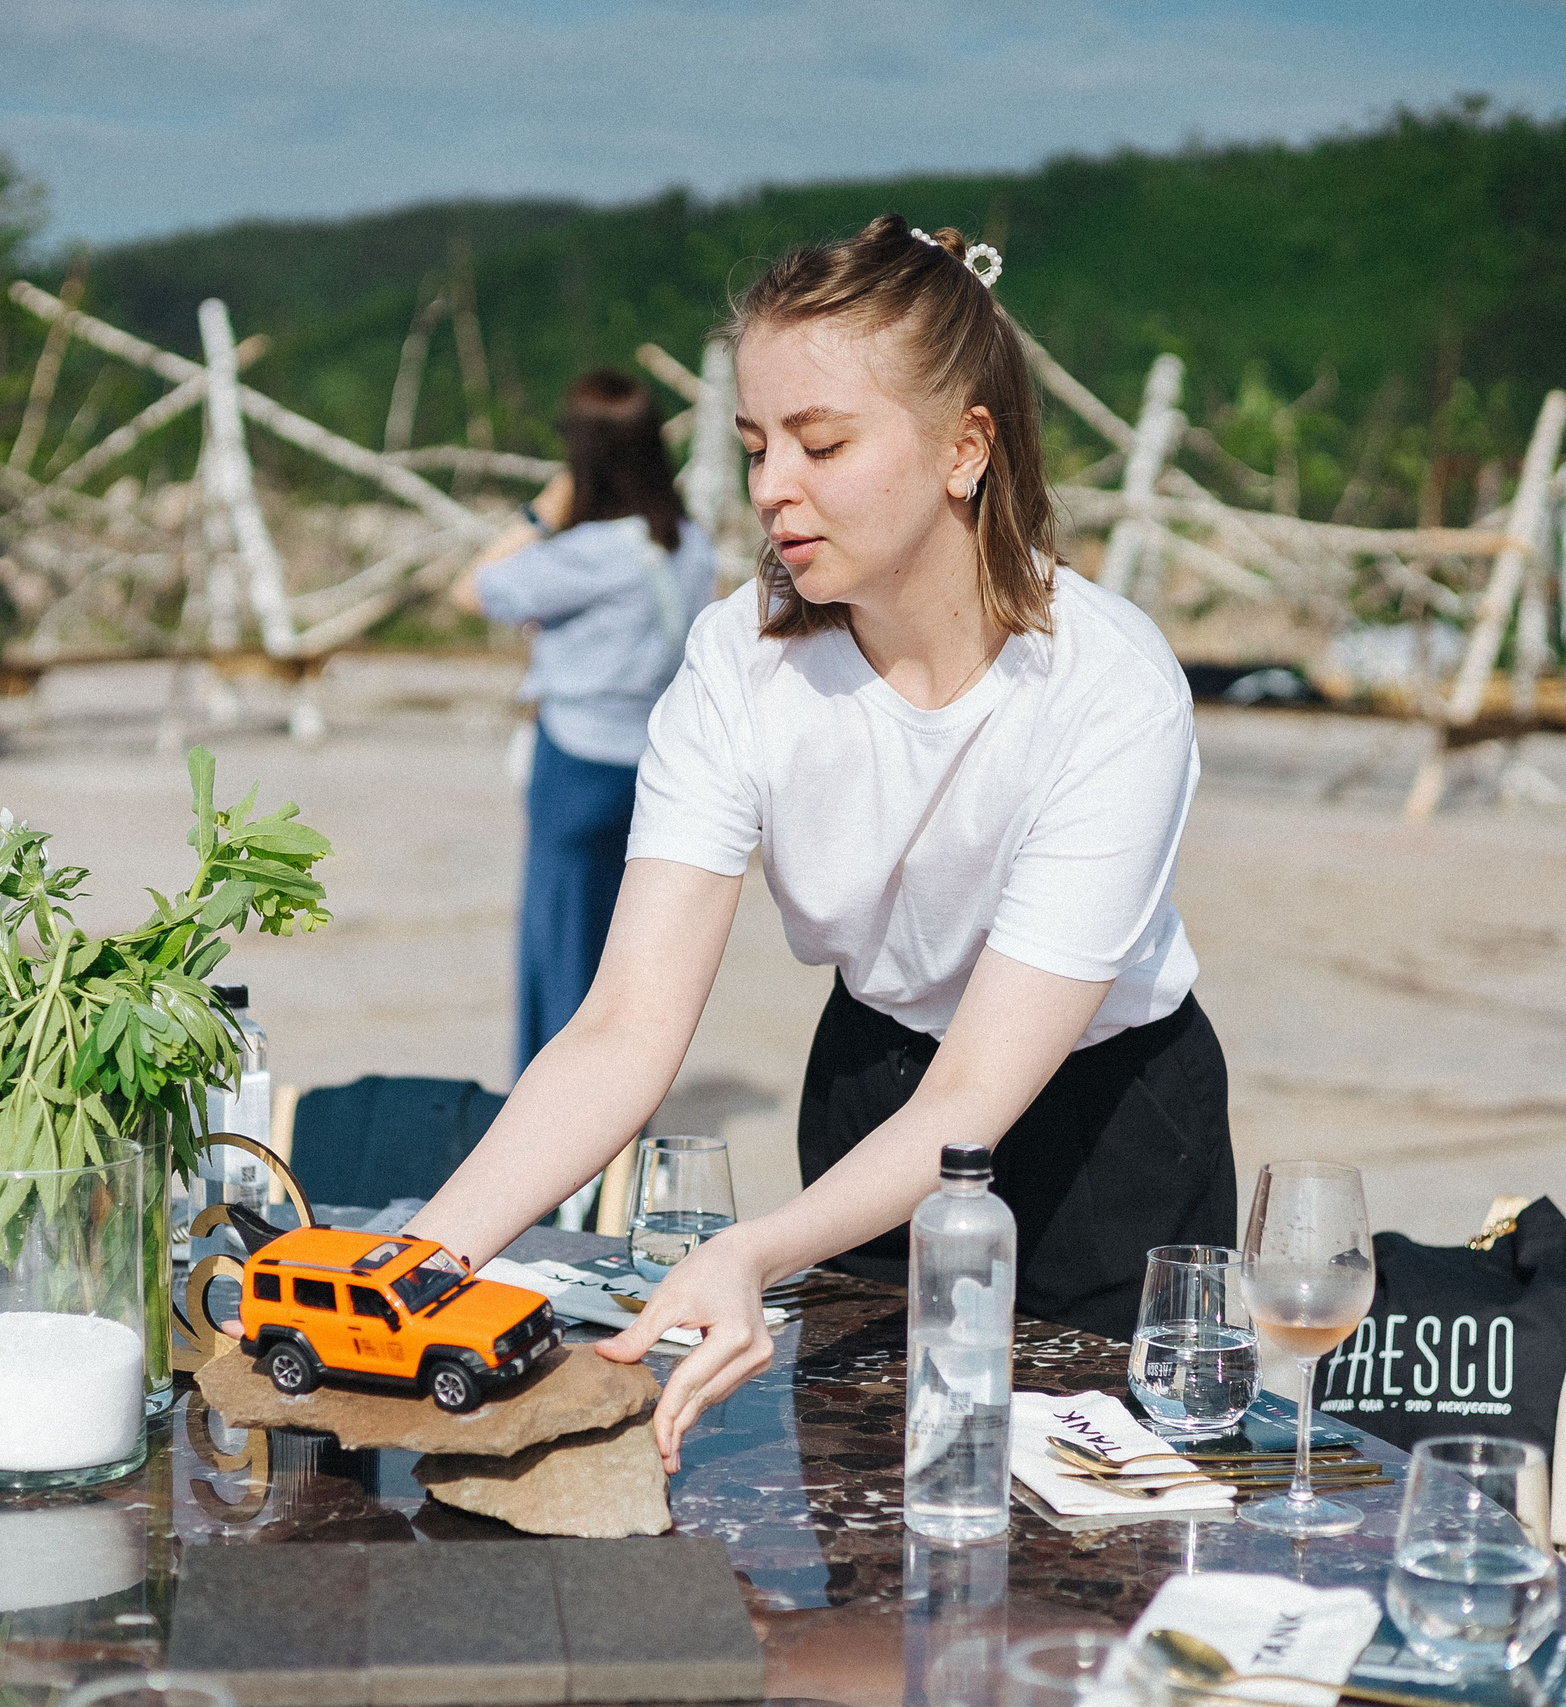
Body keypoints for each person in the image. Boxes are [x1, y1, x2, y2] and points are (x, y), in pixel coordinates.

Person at [410, 218, 1234, 1469]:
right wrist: (419, 1262)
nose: (769, 489)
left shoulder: (1105, 687)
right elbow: (624, 1026)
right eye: (754, 446)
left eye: (823, 443)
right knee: (862, 1538)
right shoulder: (738, 661)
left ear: (965, 448)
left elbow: (977, 1098)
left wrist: (748, 1247)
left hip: (1104, 1131)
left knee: (1088, 1578)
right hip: (872, 1090)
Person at [450, 370, 717, 1075]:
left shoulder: (585, 554)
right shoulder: (689, 545)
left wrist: (543, 513)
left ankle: (557, 1138)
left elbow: (470, 587)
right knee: (631, 957)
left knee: (559, 954)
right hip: (654, 768)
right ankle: (622, 1118)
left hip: (573, 764)